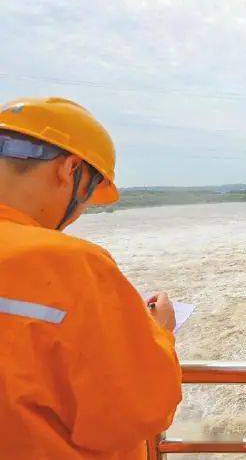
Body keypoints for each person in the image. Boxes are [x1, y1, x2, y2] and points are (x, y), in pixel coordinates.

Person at [0, 97, 182, 458]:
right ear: (70, 170)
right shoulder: (70, 264)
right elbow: (140, 409)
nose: (78, 213)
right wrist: (160, 332)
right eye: (87, 193)